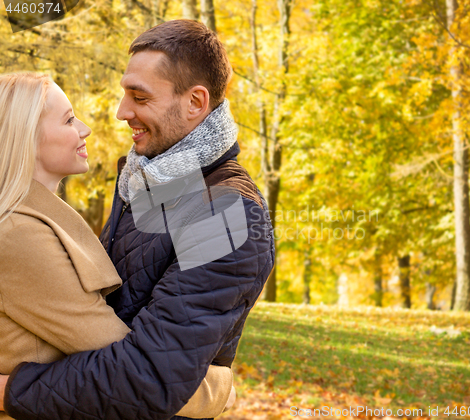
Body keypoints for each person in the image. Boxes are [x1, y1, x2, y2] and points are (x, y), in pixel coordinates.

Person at [1, 20, 274, 420]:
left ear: (196, 103)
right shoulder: (146, 179)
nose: (120, 112)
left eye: (139, 97)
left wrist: (9, 389)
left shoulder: (224, 212)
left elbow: (148, 378)